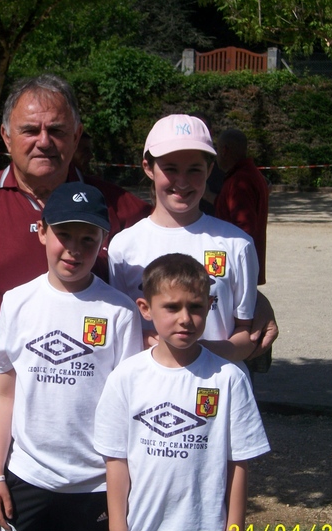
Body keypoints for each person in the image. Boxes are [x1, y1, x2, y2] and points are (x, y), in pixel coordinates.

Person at [0, 74, 152, 455]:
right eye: (30, 130)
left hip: (93, 399)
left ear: (77, 137)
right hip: (4, 391)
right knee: (9, 501)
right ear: (6, 137)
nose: (44, 141)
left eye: (57, 130)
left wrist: (254, 300)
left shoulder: (118, 208)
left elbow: (183, 249)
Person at [0, 182, 142, 531]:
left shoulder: (119, 312)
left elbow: (128, 409)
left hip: (94, 487)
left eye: (88, 239)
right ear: (41, 231)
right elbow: (2, 393)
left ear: (103, 241)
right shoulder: (17, 301)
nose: (73, 250)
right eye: (64, 235)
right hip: (28, 479)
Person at [95, 253, 270, 531]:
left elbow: (239, 467)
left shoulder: (229, 378)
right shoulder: (127, 378)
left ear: (210, 305)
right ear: (145, 308)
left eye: (196, 307)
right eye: (171, 307)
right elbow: (116, 463)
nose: (185, 319)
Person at [108, 114, 259, 364]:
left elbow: (246, 331)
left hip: (212, 392)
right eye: (170, 169)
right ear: (148, 168)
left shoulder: (237, 244)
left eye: (194, 170)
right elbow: (121, 326)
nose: (182, 181)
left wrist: (200, 355)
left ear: (210, 169)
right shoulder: (123, 247)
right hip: (149, 393)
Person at [215, 129, 269, 285]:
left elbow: (244, 230)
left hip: (235, 269)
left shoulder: (240, 181)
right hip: (242, 267)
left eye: (218, 150)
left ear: (224, 150)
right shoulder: (249, 174)